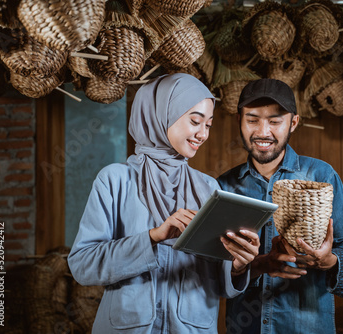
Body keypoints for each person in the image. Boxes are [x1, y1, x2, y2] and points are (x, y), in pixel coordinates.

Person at [68, 73, 260, 334]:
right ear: (161, 115)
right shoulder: (115, 180)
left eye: (209, 125)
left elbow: (221, 284)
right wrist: (152, 238)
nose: (202, 134)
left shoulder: (209, 189)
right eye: (195, 121)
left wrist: (238, 266)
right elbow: (83, 266)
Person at [218, 78, 343, 334]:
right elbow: (212, 270)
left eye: (275, 121)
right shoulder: (224, 186)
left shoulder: (322, 175)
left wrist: (329, 260)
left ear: (293, 123)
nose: (263, 132)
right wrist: (260, 265)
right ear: (239, 120)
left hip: (307, 325)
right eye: (252, 120)